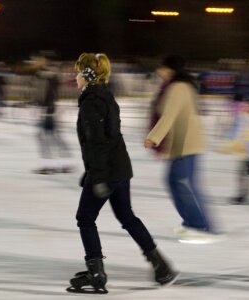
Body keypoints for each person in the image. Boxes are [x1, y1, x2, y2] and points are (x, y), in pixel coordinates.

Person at [67, 53, 179, 294]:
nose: (74, 76)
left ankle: (96, 274)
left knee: (85, 218)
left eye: (78, 72)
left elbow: (97, 143)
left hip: (107, 171)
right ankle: (161, 266)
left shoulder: (90, 102)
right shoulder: (106, 96)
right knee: (127, 216)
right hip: (119, 168)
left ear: (87, 75)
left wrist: (98, 177)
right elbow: (110, 138)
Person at [145, 55, 222, 243]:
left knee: (184, 183)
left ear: (169, 69)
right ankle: (194, 223)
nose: (158, 71)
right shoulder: (177, 86)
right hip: (182, 143)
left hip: (185, 144)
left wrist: (153, 138)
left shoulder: (178, 88)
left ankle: (202, 225)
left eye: (161, 68)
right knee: (177, 182)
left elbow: (169, 115)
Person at [31, 53, 74, 174]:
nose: (35, 61)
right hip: (48, 109)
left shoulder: (47, 74)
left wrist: (45, 105)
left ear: (45, 60)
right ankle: (65, 163)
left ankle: (50, 166)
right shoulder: (44, 73)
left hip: (48, 110)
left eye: (37, 59)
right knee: (53, 137)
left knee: (45, 137)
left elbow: (47, 92)